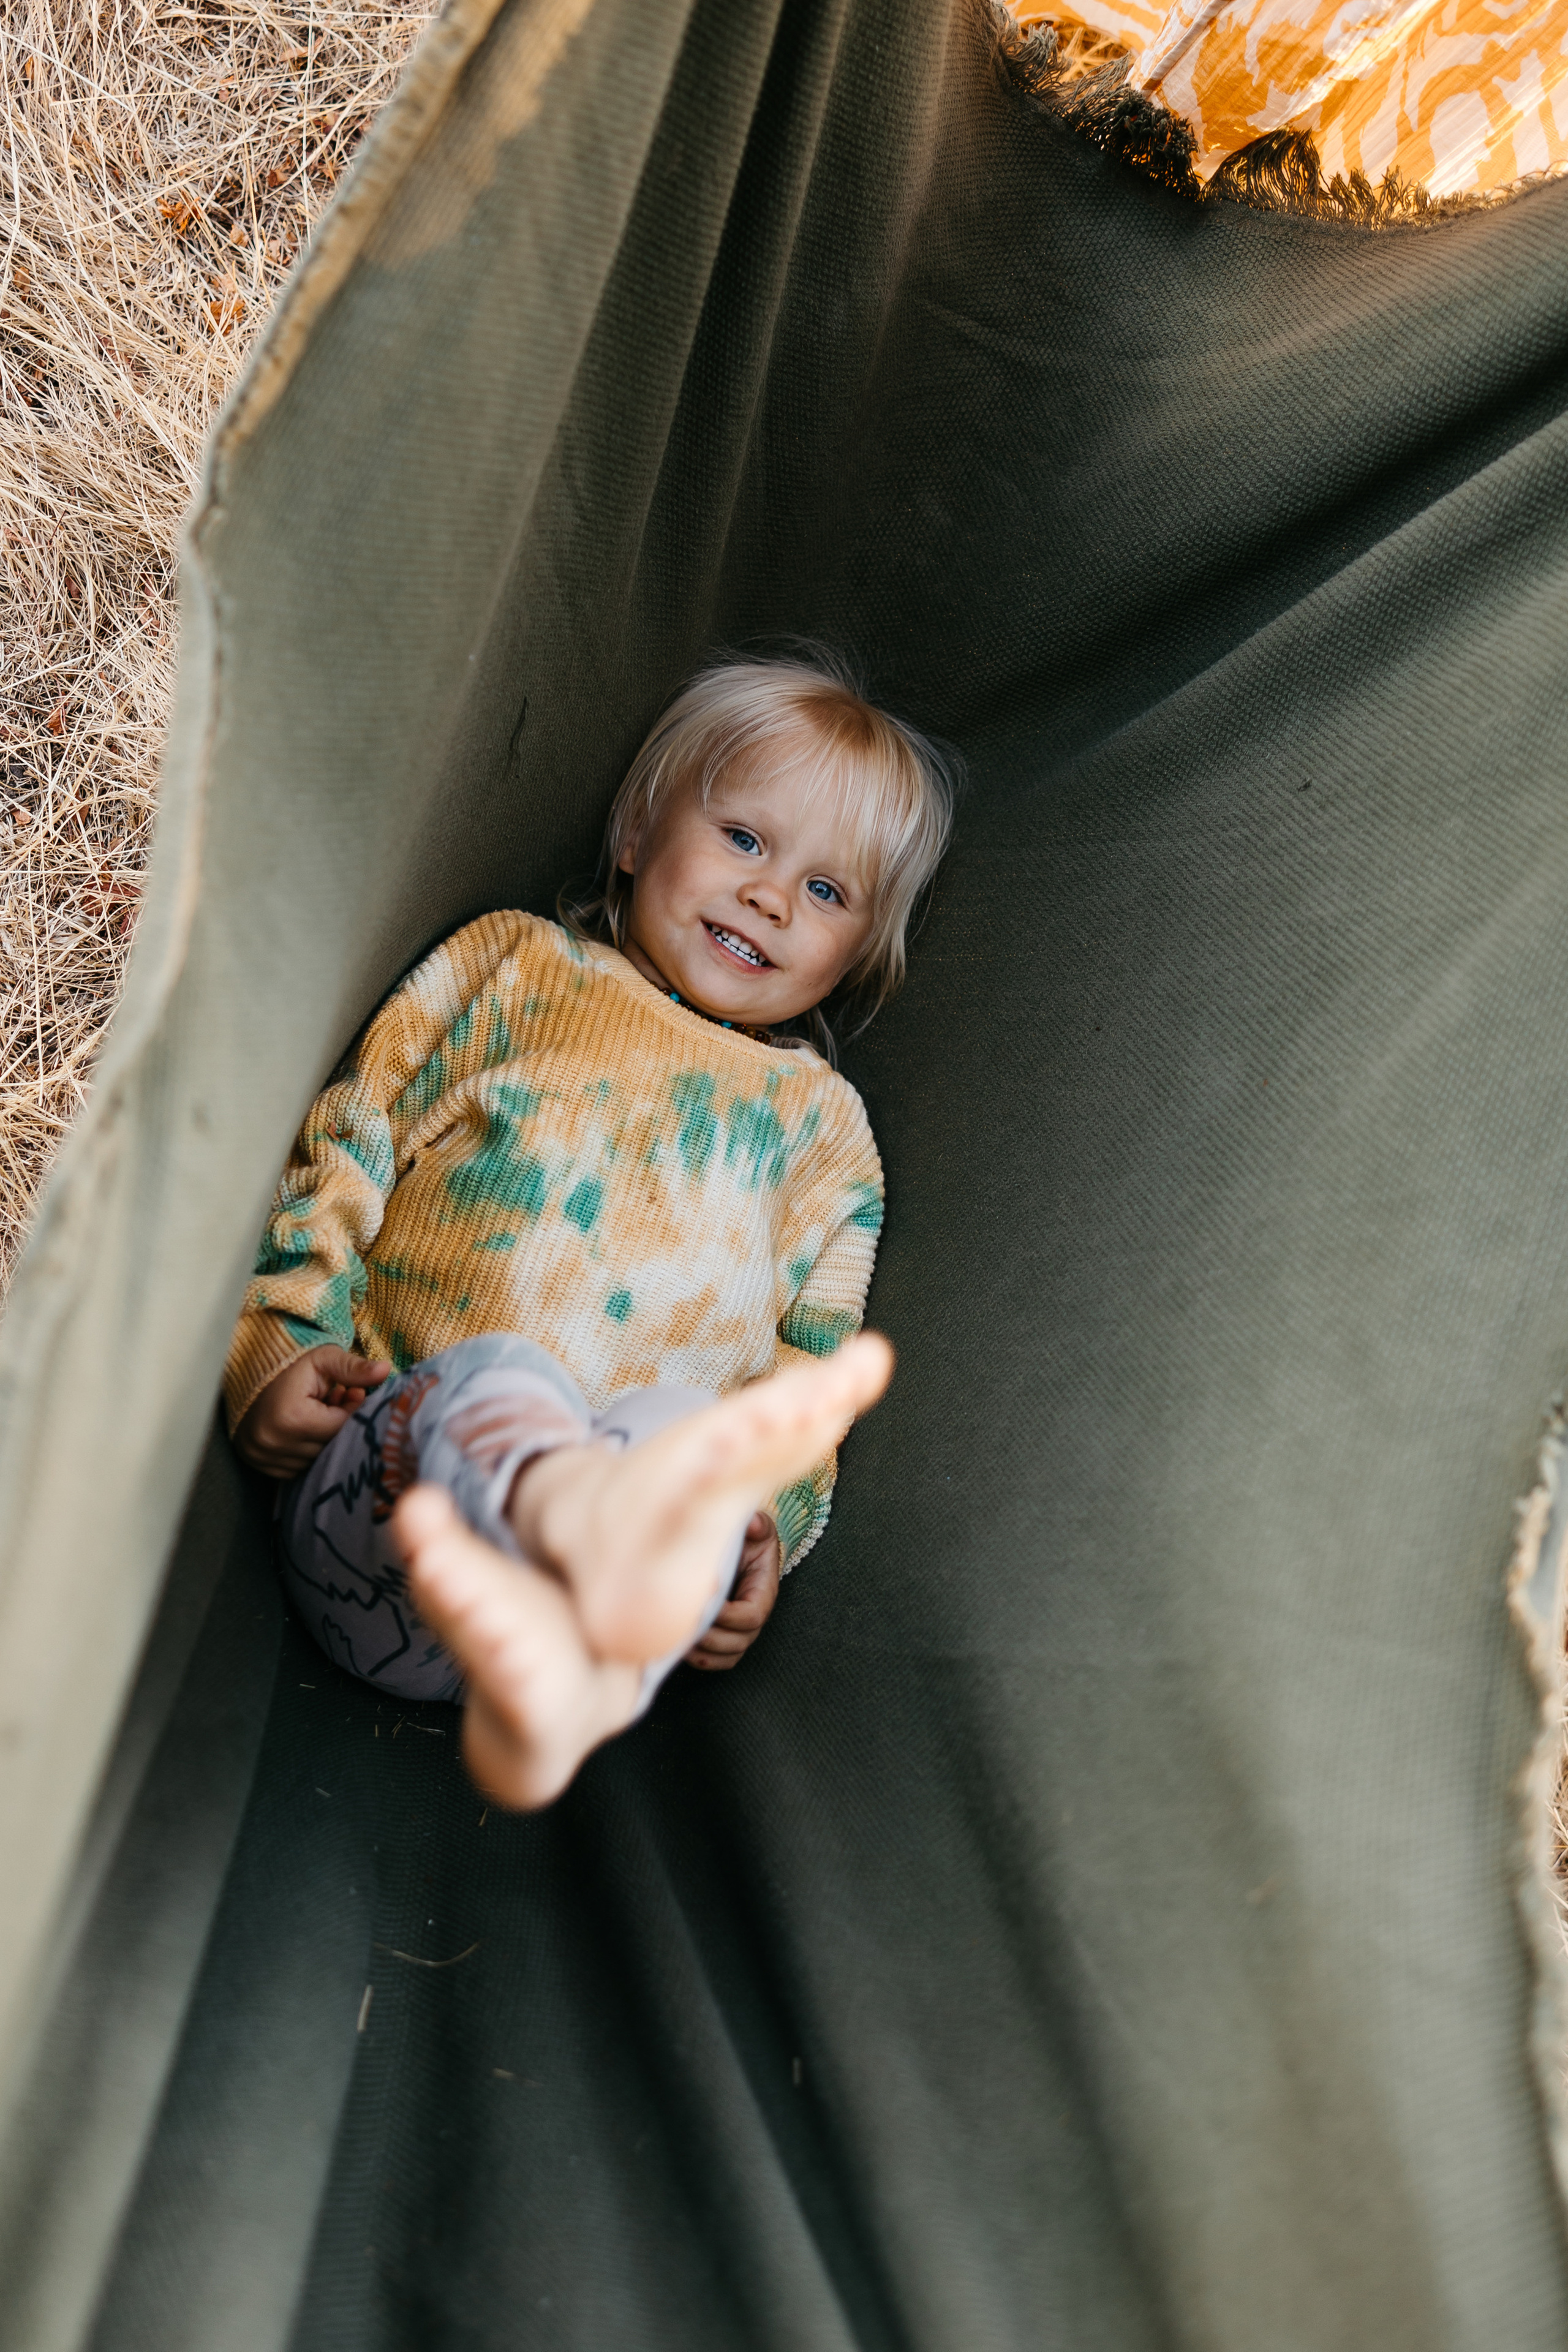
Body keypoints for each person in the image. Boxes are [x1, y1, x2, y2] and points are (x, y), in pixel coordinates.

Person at [225, 654, 954, 1807]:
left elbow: (804, 1387)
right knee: (501, 1381)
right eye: (747, 840)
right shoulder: (517, 971)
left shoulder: (823, 1134)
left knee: (683, 1444)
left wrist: (761, 1531)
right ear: (635, 833)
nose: (772, 897)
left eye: (830, 892)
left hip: (591, 1643)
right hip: (384, 1520)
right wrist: (280, 1340)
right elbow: (349, 1145)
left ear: (859, 952)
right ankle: (559, 1515)